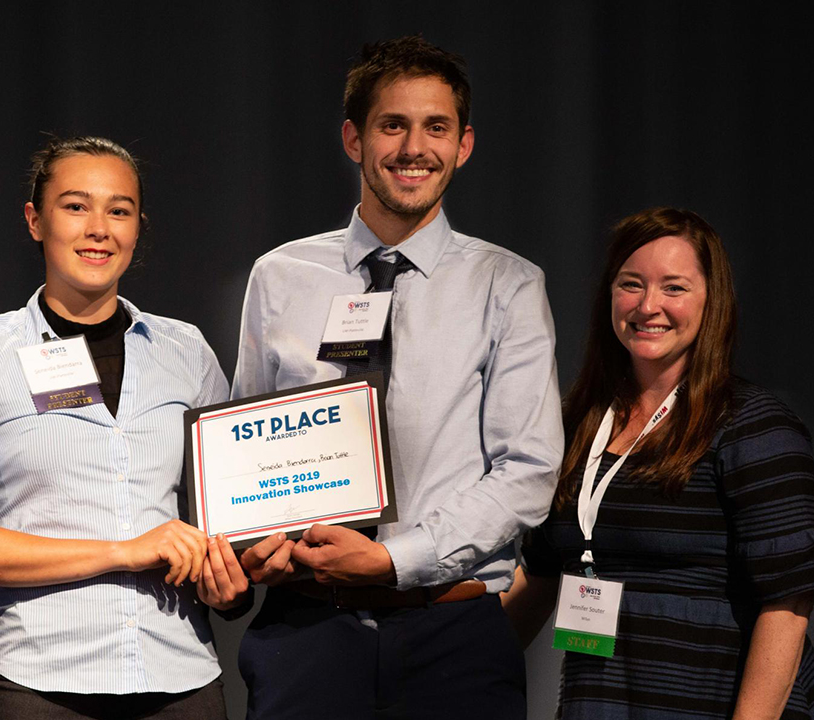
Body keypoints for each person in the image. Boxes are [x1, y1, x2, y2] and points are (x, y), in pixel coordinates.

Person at [231, 36, 564, 719]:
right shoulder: (279, 277)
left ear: (463, 145)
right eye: (393, 125)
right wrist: (250, 539)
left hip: (453, 637)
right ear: (354, 138)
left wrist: (394, 559)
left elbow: (528, 469)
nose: (414, 147)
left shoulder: (508, 284)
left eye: (435, 127)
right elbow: (246, 451)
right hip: (305, 632)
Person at [0, 136, 249, 720]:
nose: (99, 228)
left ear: (137, 228)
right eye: (76, 206)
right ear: (34, 220)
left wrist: (228, 579)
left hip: (181, 683)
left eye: (118, 210)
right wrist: (123, 551)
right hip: (37, 686)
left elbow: (226, 518)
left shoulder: (186, 352)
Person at [502, 207, 814, 718]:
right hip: (603, 702)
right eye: (631, 284)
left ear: (711, 302)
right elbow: (544, 572)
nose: (648, 305)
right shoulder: (577, 425)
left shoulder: (755, 426)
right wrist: (450, 667)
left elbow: (788, 607)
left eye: (674, 288)